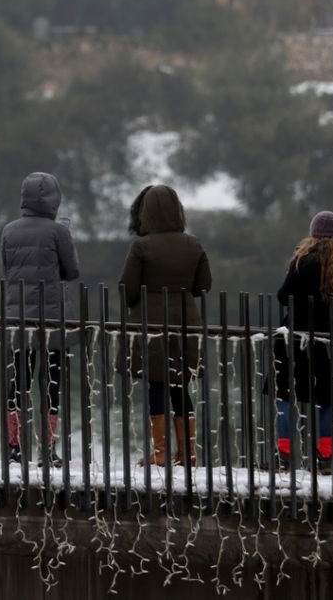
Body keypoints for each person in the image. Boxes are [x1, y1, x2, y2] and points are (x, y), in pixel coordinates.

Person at [118, 184, 211, 467]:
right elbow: (203, 285)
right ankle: (188, 453)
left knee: (157, 385)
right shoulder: (193, 244)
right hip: (186, 322)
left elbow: (127, 289)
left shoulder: (142, 246)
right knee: (180, 385)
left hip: (152, 324)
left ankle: (160, 452)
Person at [267, 211, 333, 474]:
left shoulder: (305, 260)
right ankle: (325, 457)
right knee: (327, 398)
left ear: (314, 233)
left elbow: (284, 296)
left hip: (297, 337)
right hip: (331, 339)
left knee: (284, 393)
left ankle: (283, 453)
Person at [0, 172, 80, 466]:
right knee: (51, 384)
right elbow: (71, 272)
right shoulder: (59, 232)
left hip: (19, 318)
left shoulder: (8, 230)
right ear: (55, 199)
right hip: (52, 320)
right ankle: (47, 450)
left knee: (18, 383)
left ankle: (13, 447)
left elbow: (7, 271)